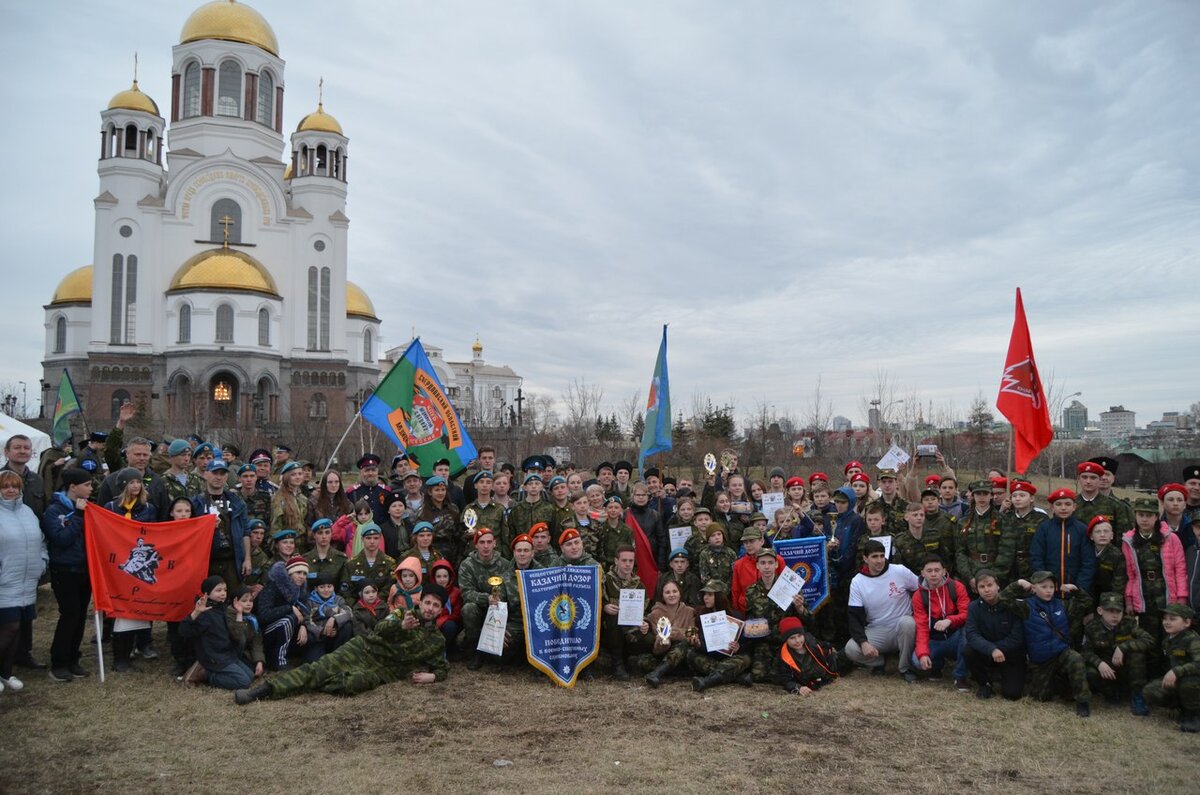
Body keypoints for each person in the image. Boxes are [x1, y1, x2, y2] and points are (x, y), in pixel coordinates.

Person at [234, 584, 449, 704]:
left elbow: (441, 666)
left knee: (350, 685)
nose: (430, 608)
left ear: (441, 610)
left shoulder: (436, 640)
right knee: (318, 668)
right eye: (428, 602)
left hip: (383, 671)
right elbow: (379, 630)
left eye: (436, 605)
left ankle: (316, 681)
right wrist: (400, 626)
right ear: (421, 602)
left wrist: (433, 676)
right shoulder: (403, 613)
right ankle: (263, 691)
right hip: (364, 649)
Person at [1003, 571, 1093, 717]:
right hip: (1041, 660)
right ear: (1034, 588)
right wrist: (1018, 584)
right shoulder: (1026, 606)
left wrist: (1076, 590)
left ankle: (1083, 702)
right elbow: (1003, 599)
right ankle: (1058, 684)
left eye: (1051, 586)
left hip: (1061, 653)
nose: (1048, 590)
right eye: (1043, 586)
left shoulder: (1062, 604)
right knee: (1040, 698)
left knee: (1075, 658)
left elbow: (1086, 602)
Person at [42, 468, 94, 682]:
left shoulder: (90, 507)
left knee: (81, 616)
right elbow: (61, 538)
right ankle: (59, 662)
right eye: (87, 485)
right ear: (73, 487)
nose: (91, 488)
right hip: (65, 570)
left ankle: (73, 658)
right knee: (69, 615)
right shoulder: (54, 511)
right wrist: (79, 516)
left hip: (85, 569)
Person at [844, 540, 920, 681]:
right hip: (878, 629)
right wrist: (863, 643)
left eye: (881, 556)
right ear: (865, 558)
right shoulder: (858, 581)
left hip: (903, 626)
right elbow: (854, 616)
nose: (879, 560)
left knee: (908, 623)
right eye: (874, 557)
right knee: (851, 649)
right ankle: (879, 662)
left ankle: (905, 668)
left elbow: (921, 588)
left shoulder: (899, 571)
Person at [1122, 496, 1188, 652]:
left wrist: (1182, 597)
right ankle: (1153, 673)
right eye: (1141, 515)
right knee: (1149, 638)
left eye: (1149, 515)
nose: (1145, 519)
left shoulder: (1170, 538)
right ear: (1135, 516)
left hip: (1167, 594)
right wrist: (1129, 599)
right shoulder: (1128, 541)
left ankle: (1170, 671)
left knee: (1170, 636)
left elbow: (1180, 569)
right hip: (1144, 594)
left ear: (1157, 517)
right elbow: (1130, 574)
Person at [0, 470, 46, 693]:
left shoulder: (27, 511)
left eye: (14, 486)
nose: (10, 490)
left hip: (27, 582)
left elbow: (41, 540)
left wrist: (42, 562)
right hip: (5, 582)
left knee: (19, 630)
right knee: (9, 627)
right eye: (5, 486)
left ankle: (6, 673)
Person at [1081, 592, 1154, 715]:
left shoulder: (1129, 624)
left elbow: (1149, 641)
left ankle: (1137, 695)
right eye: (1110, 611)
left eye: (1118, 612)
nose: (1115, 616)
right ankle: (1110, 692)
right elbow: (1085, 651)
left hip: (1124, 665)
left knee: (1137, 655)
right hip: (1106, 667)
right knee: (1090, 671)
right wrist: (1099, 664)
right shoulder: (1092, 627)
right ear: (1100, 610)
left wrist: (1123, 647)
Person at [178, 576, 254, 690]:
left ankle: (213, 672)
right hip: (214, 657)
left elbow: (238, 636)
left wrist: (239, 613)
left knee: (250, 675)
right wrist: (196, 612)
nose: (223, 593)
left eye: (225, 590)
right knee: (244, 682)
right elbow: (184, 631)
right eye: (218, 590)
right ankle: (206, 674)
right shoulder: (204, 613)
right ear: (207, 593)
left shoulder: (222, 608)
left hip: (227, 654)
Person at [457, 527, 516, 669]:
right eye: (482, 542)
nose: (486, 546)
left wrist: (497, 600)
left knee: (505, 661)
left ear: (494, 544)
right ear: (476, 545)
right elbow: (466, 593)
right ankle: (475, 652)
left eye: (489, 542)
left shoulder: (505, 564)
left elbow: (510, 589)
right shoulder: (467, 565)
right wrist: (486, 598)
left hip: (498, 609)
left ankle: (496, 650)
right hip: (478, 608)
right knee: (468, 608)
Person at [963, 569, 1025, 700]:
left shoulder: (1012, 604)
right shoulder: (974, 607)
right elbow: (972, 634)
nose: (986, 590)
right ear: (977, 590)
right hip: (987, 652)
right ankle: (985, 683)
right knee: (968, 650)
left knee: (1012, 694)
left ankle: (1004, 675)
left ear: (998, 585)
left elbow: (1017, 636)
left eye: (990, 585)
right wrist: (991, 649)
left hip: (1010, 654)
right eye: (982, 587)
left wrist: (997, 648)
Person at [911, 555, 970, 690]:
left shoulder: (956, 587)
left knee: (968, 631)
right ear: (922, 573)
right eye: (929, 571)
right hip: (935, 640)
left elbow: (967, 614)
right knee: (917, 661)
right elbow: (921, 627)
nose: (933, 574)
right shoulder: (918, 596)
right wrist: (923, 653)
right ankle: (936, 666)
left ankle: (960, 676)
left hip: (956, 637)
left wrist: (950, 620)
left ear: (944, 571)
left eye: (937, 570)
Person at [1141, 604, 1200, 732]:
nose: (1167, 622)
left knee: (1188, 682)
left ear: (1187, 622)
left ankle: (1194, 715)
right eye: (1165, 619)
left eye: (1172, 619)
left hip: (1193, 681)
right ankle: (1182, 707)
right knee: (1150, 690)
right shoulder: (1167, 641)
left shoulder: (1193, 640)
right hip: (1179, 680)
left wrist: (1176, 671)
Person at [1030, 488, 1096, 598]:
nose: (1063, 508)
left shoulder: (1082, 529)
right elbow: (1036, 557)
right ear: (1052, 507)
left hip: (1075, 591)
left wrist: (1079, 589)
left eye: (1068, 504)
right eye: (1059, 504)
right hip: (1049, 592)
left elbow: (1088, 561)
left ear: (1074, 507)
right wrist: (1044, 583)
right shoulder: (1044, 529)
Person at [687, 580, 751, 692]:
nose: (705, 598)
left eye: (710, 594)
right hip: (711, 657)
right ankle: (736, 677)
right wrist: (698, 644)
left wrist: (738, 647)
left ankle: (706, 682)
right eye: (705, 594)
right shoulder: (702, 615)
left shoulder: (736, 616)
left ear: (720, 596)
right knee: (691, 655)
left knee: (745, 659)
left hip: (730, 658)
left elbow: (747, 643)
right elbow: (702, 646)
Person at [256, 554, 316, 670]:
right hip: (267, 632)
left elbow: (305, 610)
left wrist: (303, 625)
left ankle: (294, 655)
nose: (302, 576)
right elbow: (263, 615)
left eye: (304, 574)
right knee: (288, 620)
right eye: (298, 573)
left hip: (288, 629)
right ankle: (278, 660)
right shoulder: (273, 586)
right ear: (289, 573)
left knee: (309, 635)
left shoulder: (301, 589)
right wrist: (289, 608)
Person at [601, 545, 649, 681]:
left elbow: (645, 609)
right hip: (608, 629)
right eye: (624, 560)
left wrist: (645, 623)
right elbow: (593, 602)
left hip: (631, 629)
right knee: (613, 616)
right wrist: (604, 607)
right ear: (616, 561)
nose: (628, 564)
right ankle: (617, 664)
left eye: (631, 561)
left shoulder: (639, 585)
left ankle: (628, 659)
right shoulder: (605, 581)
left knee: (648, 638)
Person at [637, 579, 696, 688]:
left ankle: (657, 673)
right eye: (667, 592)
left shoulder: (690, 611)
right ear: (662, 595)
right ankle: (675, 671)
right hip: (664, 653)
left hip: (684, 651)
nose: (671, 595)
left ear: (680, 593)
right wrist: (662, 641)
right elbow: (657, 650)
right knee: (642, 660)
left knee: (682, 646)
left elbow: (693, 635)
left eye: (674, 591)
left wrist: (675, 632)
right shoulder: (654, 614)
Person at [770, 616, 842, 695]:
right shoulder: (784, 656)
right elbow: (785, 680)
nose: (797, 641)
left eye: (800, 636)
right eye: (792, 638)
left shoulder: (814, 643)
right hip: (810, 682)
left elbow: (829, 655)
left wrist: (834, 672)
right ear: (785, 640)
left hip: (827, 676)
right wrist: (798, 687)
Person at [1086, 516, 1127, 602]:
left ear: (1112, 535)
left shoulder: (1117, 555)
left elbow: (1118, 585)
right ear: (1091, 536)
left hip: (1109, 599)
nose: (1102, 535)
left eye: (1106, 531)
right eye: (1098, 532)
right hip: (1089, 598)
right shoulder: (1086, 552)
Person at [270, 461, 309, 549]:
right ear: (286, 477)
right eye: (293, 474)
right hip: (286, 545)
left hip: (302, 545)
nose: (297, 477)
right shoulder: (278, 498)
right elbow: (276, 527)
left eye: (300, 474)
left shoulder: (303, 498)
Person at [345, 454, 391, 525]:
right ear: (361, 472)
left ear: (377, 472)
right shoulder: (352, 493)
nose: (370, 473)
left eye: (373, 470)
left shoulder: (386, 492)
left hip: (382, 532)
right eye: (367, 470)